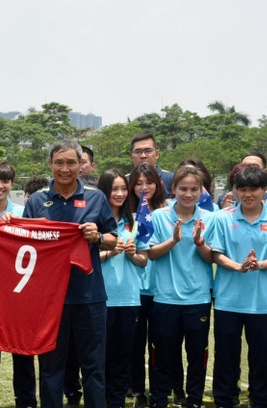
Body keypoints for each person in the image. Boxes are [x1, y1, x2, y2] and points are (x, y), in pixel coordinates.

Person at [21, 140, 117, 408]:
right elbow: (24, 243)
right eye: (59, 163)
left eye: (71, 163)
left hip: (89, 296)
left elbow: (112, 239)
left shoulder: (96, 197)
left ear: (81, 165)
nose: (65, 169)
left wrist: (97, 237)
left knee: (93, 369)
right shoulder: (37, 200)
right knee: (51, 369)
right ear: (50, 164)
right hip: (50, 301)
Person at [141, 165, 214, 408]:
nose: (188, 194)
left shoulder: (209, 218)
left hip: (198, 299)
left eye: (194, 189)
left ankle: (194, 400)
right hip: (165, 298)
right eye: (183, 189)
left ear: (201, 190)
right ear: (173, 188)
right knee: (162, 354)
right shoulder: (159, 216)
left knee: (197, 355)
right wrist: (173, 240)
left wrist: (199, 242)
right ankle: (159, 400)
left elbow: (211, 258)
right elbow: (151, 254)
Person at [211, 166, 267, 408]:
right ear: (236, 190)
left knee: (262, 358)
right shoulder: (223, 218)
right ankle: (223, 400)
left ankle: (261, 400)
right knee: (225, 356)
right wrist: (238, 267)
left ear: (264, 190)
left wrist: (258, 264)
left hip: (262, 302)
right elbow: (216, 254)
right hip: (227, 300)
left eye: (254, 189)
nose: (248, 194)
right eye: (243, 189)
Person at [0, 161, 35, 408]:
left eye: (5, 181)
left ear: (12, 184)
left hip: (19, 294)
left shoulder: (23, 212)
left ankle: (26, 400)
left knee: (23, 350)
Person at [96, 170, 148, 408]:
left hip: (129, 299)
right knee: (100, 358)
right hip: (100, 299)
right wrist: (109, 252)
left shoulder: (135, 221)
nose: (119, 194)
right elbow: (83, 258)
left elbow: (143, 261)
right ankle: (100, 400)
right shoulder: (95, 222)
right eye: (114, 189)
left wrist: (132, 254)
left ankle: (116, 401)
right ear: (104, 191)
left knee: (123, 356)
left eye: (123, 189)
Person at [126, 164, 170, 408]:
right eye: (139, 183)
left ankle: (158, 391)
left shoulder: (168, 211)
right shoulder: (127, 213)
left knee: (160, 344)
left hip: (161, 290)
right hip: (134, 290)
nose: (144, 188)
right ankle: (137, 390)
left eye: (149, 182)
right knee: (135, 344)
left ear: (158, 184)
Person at [129, 133, 174, 197]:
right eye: (138, 152)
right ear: (131, 157)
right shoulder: (125, 181)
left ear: (156, 154)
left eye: (148, 151)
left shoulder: (171, 179)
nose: (143, 156)